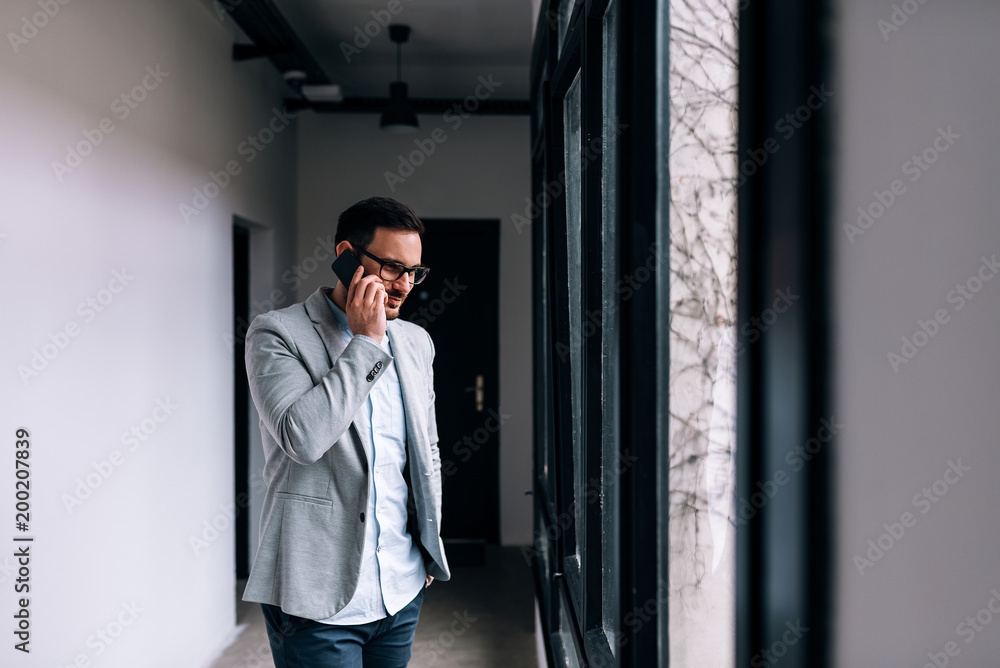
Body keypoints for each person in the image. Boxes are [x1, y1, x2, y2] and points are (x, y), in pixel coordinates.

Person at [241, 196, 450, 667]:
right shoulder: (277, 334)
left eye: (414, 272)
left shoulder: (417, 343)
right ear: (347, 256)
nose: (404, 286)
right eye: (393, 267)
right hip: (313, 597)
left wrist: (427, 539)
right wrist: (367, 343)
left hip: (400, 585)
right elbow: (302, 439)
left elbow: (425, 449)